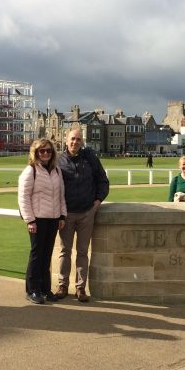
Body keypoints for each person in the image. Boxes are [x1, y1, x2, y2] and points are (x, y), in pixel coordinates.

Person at [54, 127, 109, 302]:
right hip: (67, 214)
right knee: (65, 251)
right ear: (66, 140)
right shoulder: (58, 161)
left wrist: (98, 201)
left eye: (78, 139)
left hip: (87, 213)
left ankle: (80, 288)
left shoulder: (90, 158)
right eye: (72, 139)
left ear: (82, 141)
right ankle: (62, 285)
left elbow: (103, 180)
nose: (75, 142)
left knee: (83, 252)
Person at [19, 138, 67, 305]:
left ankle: (46, 289)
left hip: (53, 219)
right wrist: (30, 220)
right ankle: (32, 290)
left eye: (48, 150)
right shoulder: (30, 171)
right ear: (36, 153)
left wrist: (62, 216)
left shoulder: (57, 171)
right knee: (36, 255)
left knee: (46, 256)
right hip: (37, 219)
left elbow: (60, 195)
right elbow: (23, 197)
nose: (45, 153)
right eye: (42, 151)